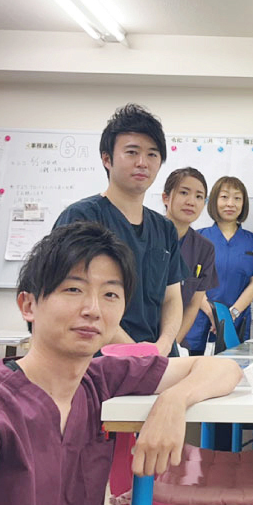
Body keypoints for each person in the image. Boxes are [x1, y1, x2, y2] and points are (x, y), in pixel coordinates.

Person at [0, 221, 243, 505]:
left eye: (110, 295)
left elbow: (224, 369)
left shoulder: (98, 382)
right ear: (28, 305)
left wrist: (174, 402)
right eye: (74, 289)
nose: (93, 309)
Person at [54, 104, 187, 356]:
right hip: (99, 360)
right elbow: (75, 297)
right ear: (107, 159)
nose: (142, 163)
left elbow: (171, 298)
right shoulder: (82, 218)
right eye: (132, 152)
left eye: (152, 154)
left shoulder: (165, 228)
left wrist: (163, 345)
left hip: (156, 359)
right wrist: (134, 352)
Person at [183, 176, 253, 349]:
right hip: (199, 319)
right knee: (197, 364)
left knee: (234, 363)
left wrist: (230, 315)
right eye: (224, 197)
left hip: (236, 321)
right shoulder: (197, 238)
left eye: (237, 198)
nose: (231, 204)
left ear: (243, 204)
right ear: (214, 201)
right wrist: (213, 314)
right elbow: (190, 281)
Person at [161, 167, 220, 355]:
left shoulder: (204, 249)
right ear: (166, 198)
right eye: (184, 192)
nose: (191, 201)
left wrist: (171, 345)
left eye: (199, 196)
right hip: (135, 337)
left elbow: (194, 304)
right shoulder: (147, 236)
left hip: (174, 341)